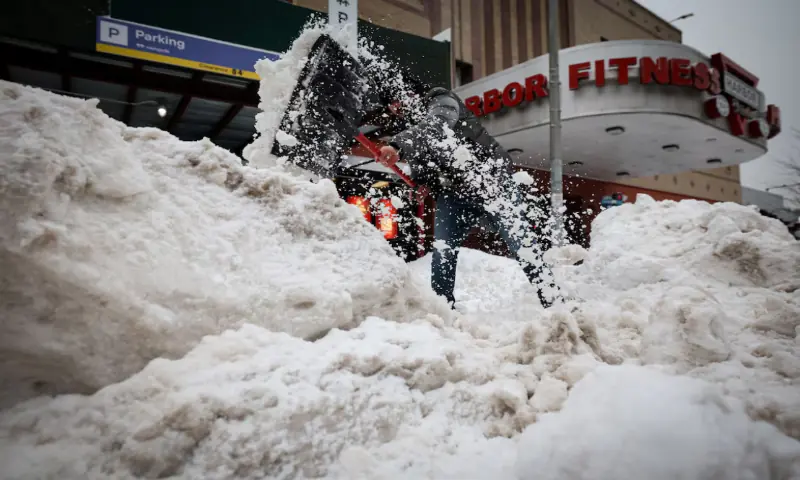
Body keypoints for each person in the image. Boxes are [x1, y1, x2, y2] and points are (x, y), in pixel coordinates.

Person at [376, 86, 561, 308]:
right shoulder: (413, 128)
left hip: (492, 184)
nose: (396, 110)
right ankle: (443, 309)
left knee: (520, 244)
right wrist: (421, 185)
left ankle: (555, 302)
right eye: (392, 107)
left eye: (397, 102)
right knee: (443, 252)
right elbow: (423, 167)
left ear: (412, 94)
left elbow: (436, 127)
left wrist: (397, 145)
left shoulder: (443, 101)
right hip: (454, 196)